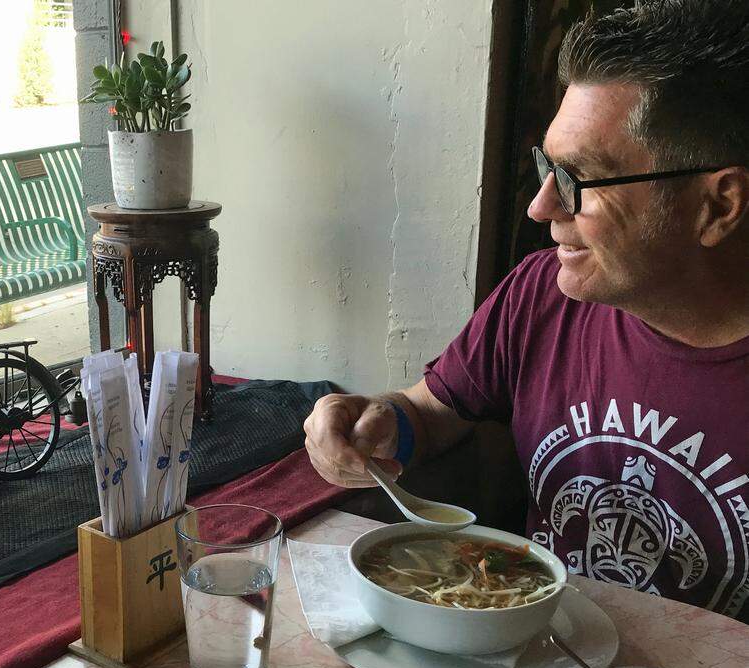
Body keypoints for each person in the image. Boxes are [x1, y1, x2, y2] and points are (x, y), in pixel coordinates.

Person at [304, 0, 749, 622]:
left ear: (719, 205)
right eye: (549, 169)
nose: (541, 207)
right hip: (531, 665)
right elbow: (431, 412)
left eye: (580, 178)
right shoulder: (543, 294)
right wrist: (376, 424)